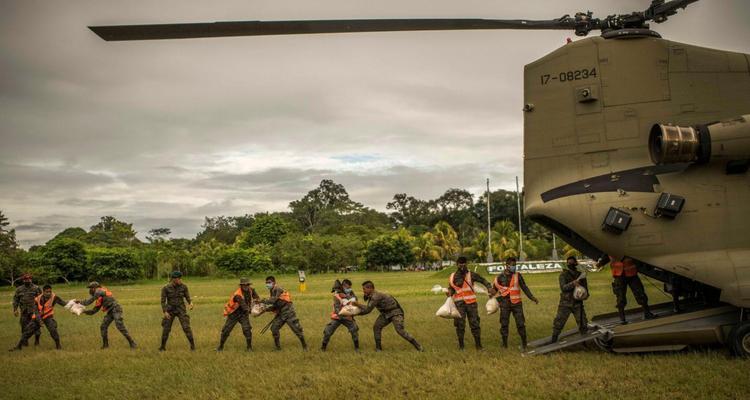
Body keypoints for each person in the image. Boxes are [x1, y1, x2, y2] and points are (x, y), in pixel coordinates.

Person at [351, 281, 423, 352]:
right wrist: (353, 313)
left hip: (395, 312)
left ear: (370, 288)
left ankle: (418, 346)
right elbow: (367, 309)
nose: (363, 291)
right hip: (386, 314)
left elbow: (367, 310)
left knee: (400, 330)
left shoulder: (376, 296)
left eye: (364, 289)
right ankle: (378, 348)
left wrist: (357, 306)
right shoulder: (372, 295)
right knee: (376, 327)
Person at [492, 257, 538, 351]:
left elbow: (524, 288)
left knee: (521, 324)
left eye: (515, 265)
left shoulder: (518, 275)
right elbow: (494, 291)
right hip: (504, 305)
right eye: (513, 265)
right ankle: (504, 344)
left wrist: (532, 298)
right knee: (504, 324)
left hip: (517, 304)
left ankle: (524, 344)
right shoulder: (499, 277)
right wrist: (490, 294)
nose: (514, 267)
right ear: (507, 266)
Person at [446, 256, 492, 350]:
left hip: (471, 304)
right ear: (457, 264)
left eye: (464, 263)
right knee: (460, 325)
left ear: (466, 264)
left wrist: (489, 287)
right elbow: (452, 288)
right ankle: (461, 346)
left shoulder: (471, 274)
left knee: (475, 324)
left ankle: (478, 346)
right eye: (460, 263)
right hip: (459, 304)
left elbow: (483, 280)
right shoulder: (452, 276)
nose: (462, 265)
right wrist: (449, 292)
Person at [79, 281, 137, 349]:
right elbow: (93, 311)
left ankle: (132, 343)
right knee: (103, 326)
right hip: (110, 311)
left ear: (95, 288)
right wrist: (83, 311)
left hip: (116, 309)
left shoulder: (99, 291)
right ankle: (105, 345)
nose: (90, 290)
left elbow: (89, 301)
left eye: (91, 288)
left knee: (120, 326)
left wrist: (79, 302)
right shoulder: (99, 297)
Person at [598, 255, 656, 324]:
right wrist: (599, 264)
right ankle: (622, 319)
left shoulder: (625, 245)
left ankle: (647, 313)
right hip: (619, 275)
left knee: (640, 294)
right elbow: (603, 259)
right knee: (620, 297)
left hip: (632, 273)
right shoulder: (609, 248)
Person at [10, 284, 65, 351]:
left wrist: (74, 303)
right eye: (47, 292)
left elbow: (64, 304)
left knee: (53, 330)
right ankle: (19, 346)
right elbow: (36, 311)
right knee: (27, 331)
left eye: (50, 292)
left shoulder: (55, 297)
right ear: (43, 292)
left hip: (48, 316)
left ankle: (58, 345)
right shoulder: (37, 299)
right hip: (37, 317)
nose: (49, 293)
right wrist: (39, 321)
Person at [548, 256, 589, 344]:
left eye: (572, 262)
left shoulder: (581, 275)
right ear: (567, 264)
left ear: (576, 263)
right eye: (569, 263)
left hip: (578, 303)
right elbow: (563, 288)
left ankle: (584, 342)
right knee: (559, 323)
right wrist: (573, 283)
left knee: (583, 323)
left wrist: (584, 295)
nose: (570, 264)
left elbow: (586, 290)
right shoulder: (563, 275)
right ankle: (553, 341)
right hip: (565, 303)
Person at [261, 276, 307, 351]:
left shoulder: (277, 288)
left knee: (297, 330)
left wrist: (262, 301)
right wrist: (265, 309)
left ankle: (305, 346)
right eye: (266, 283)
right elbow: (275, 305)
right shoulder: (272, 290)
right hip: (281, 313)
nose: (267, 284)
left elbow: (273, 301)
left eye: (269, 282)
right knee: (274, 328)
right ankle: (278, 348)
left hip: (289, 312)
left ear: (274, 282)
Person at [217, 278, 259, 351]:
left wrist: (257, 303)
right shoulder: (238, 294)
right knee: (226, 330)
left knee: (247, 329)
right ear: (241, 286)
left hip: (243, 314)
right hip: (234, 314)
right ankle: (220, 347)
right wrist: (253, 311)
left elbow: (257, 298)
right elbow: (244, 306)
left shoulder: (251, 290)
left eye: (247, 285)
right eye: (244, 285)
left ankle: (249, 348)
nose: (246, 286)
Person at [160, 271, 195, 351]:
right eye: (179, 279)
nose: (180, 280)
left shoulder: (184, 287)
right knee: (166, 329)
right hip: (170, 310)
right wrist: (165, 312)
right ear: (174, 279)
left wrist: (191, 303)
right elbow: (163, 301)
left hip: (181, 310)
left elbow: (187, 297)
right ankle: (162, 347)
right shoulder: (165, 288)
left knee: (186, 327)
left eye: (180, 278)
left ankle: (192, 346)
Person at [321, 279, 359, 351]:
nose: (349, 289)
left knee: (354, 330)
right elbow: (337, 308)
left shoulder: (351, 292)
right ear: (343, 286)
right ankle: (323, 347)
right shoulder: (337, 294)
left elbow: (355, 300)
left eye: (349, 287)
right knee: (328, 331)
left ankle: (357, 348)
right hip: (337, 317)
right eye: (347, 287)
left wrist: (347, 297)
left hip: (348, 317)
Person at [11, 273, 41, 349]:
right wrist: (15, 309)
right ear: (23, 280)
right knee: (24, 327)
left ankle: (37, 341)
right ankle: (25, 342)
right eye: (26, 279)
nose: (27, 280)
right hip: (24, 311)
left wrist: (41, 310)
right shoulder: (19, 289)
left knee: (36, 326)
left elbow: (41, 299)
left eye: (29, 279)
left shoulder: (36, 288)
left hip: (34, 311)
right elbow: (16, 300)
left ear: (31, 279)